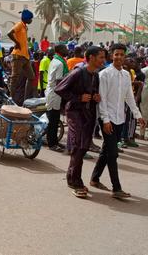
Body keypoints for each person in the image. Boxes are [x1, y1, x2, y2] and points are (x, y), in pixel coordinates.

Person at [91, 43, 145, 199]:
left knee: (106, 151)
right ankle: (117, 188)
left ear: (125, 56)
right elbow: (102, 100)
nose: (119, 57)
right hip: (107, 119)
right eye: (116, 54)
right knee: (113, 153)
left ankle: (94, 179)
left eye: (122, 54)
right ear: (111, 55)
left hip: (120, 119)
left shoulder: (127, 75)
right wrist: (105, 120)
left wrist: (137, 115)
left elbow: (129, 97)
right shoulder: (105, 74)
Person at [55, 46, 104, 198]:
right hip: (75, 112)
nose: (103, 60)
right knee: (77, 145)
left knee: (83, 147)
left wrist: (96, 97)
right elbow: (59, 89)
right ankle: (74, 181)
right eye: (101, 57)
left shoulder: (95, 75)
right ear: (90, 57)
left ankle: (74, 178)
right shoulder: (77, 72)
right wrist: (78, 98)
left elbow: (93, 92)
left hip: (88, 113)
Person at [7, 9, 35, 105]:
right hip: (18, 55)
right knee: (15, 78)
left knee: (31, 77)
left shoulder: (25, 27)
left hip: (25, 56)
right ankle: (11, 98)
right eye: (30, 18)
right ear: (27, 18)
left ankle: (25, 98)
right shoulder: (19, 24)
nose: (31, 20)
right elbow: (9, 33)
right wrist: (16, 42)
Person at [45, 44, 69, 152]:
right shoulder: (59, 63)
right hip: (55, 93)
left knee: (55, 120)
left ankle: (54, 141)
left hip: (53, 93)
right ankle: (52, 144)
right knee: (53, 120)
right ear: (59, 50)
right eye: (65, 48)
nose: (67, 50)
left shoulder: (56, 61)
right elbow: (59, 81)